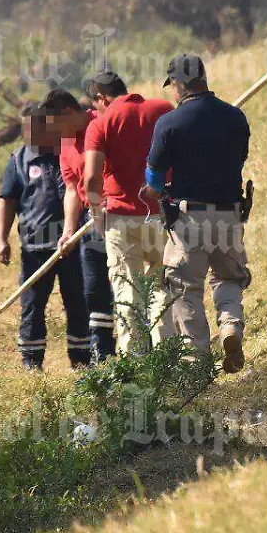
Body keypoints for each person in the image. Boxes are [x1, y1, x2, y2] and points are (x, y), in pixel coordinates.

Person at [142, 54, 251, 373]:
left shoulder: (169, 123)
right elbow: (240, 159)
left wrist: (152, 190)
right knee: (229, 277)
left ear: (177, 83)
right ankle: (231, 326)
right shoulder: (235, 117)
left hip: (189, 219)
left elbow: (155, 178)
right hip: (230, 214)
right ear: (203, 76)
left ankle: (197, 363)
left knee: (184, 289)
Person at [82, 70, 175, 355]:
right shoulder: (163, 109)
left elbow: (91, 179)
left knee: (128, 293)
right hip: (163, 215)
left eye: (94, 103)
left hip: (122, 220)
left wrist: (97, 214)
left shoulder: (101, 124)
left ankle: (135, 362)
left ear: (101, 97)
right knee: (164, 290)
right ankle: (166, 358)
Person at [0, 103, 91, 370]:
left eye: (33, 127)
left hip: (74, 246)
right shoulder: (18, 160)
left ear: (48, 126)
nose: (27, 133)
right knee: (32, 307)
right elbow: (7, 201)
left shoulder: (71, 151)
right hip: (35, 249)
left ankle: (82, 363)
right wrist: (1, 239)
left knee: (78, 304)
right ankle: (32, 364)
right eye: (24, 128)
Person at [39, 88, 116, 363]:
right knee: (94, 289)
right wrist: (68, 231)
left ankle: (142, 350)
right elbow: (72, 189)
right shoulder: (66, 144)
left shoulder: (104, 122)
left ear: (69, 113)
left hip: (120, 213)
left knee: (126, 282)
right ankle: (103, 355)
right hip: (90, 221)